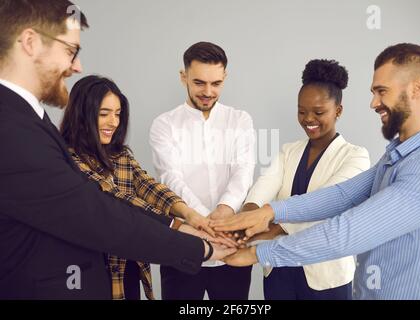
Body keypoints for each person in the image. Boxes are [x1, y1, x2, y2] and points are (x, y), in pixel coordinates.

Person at [0, 0, 235, 300]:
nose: (77, 66)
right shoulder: (12, 128)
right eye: (70, 51)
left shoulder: (30, 118)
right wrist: (200, 245)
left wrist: (188, 221)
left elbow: (145, 188)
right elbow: (100, 210)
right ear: (30, 42)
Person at [212, 43, 420, 300]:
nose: (373, 102)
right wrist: (268, 212)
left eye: (382, 91)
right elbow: (342, 195)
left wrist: (257, 253)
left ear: (417, 88)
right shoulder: (400, 153)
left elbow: (346, 233)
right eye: (373, 92)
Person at [59, 75, 236, 300]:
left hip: (128, 264)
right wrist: (183, 228)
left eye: (118, 114)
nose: (113, 122)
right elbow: (117, 201)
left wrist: (191, 215)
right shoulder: (68, 161)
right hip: (90, 270)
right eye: (104, 114)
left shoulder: (120, 155)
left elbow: (148, 186)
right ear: (81, 114)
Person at [242, 59, 370, 300]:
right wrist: (247, 215)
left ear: (338, 111)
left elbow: (326, 204)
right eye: (302, 111)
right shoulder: (288, 151)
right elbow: (264, 185)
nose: (308, 119)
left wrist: (269, 230)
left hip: (326, 273)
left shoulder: (355, 156)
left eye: (319, 112)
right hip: (280, 270)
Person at [150, 42, 255, 300]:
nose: (208, 91)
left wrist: (224, 211)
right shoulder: (164, 125)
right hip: (182, 247)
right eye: (199, 83)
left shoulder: (240, 120)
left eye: (216, 83)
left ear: (225, 77)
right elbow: (171, 179)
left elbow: (243, 171)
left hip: (232, 247)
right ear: (183, 76)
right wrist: (207, 224)